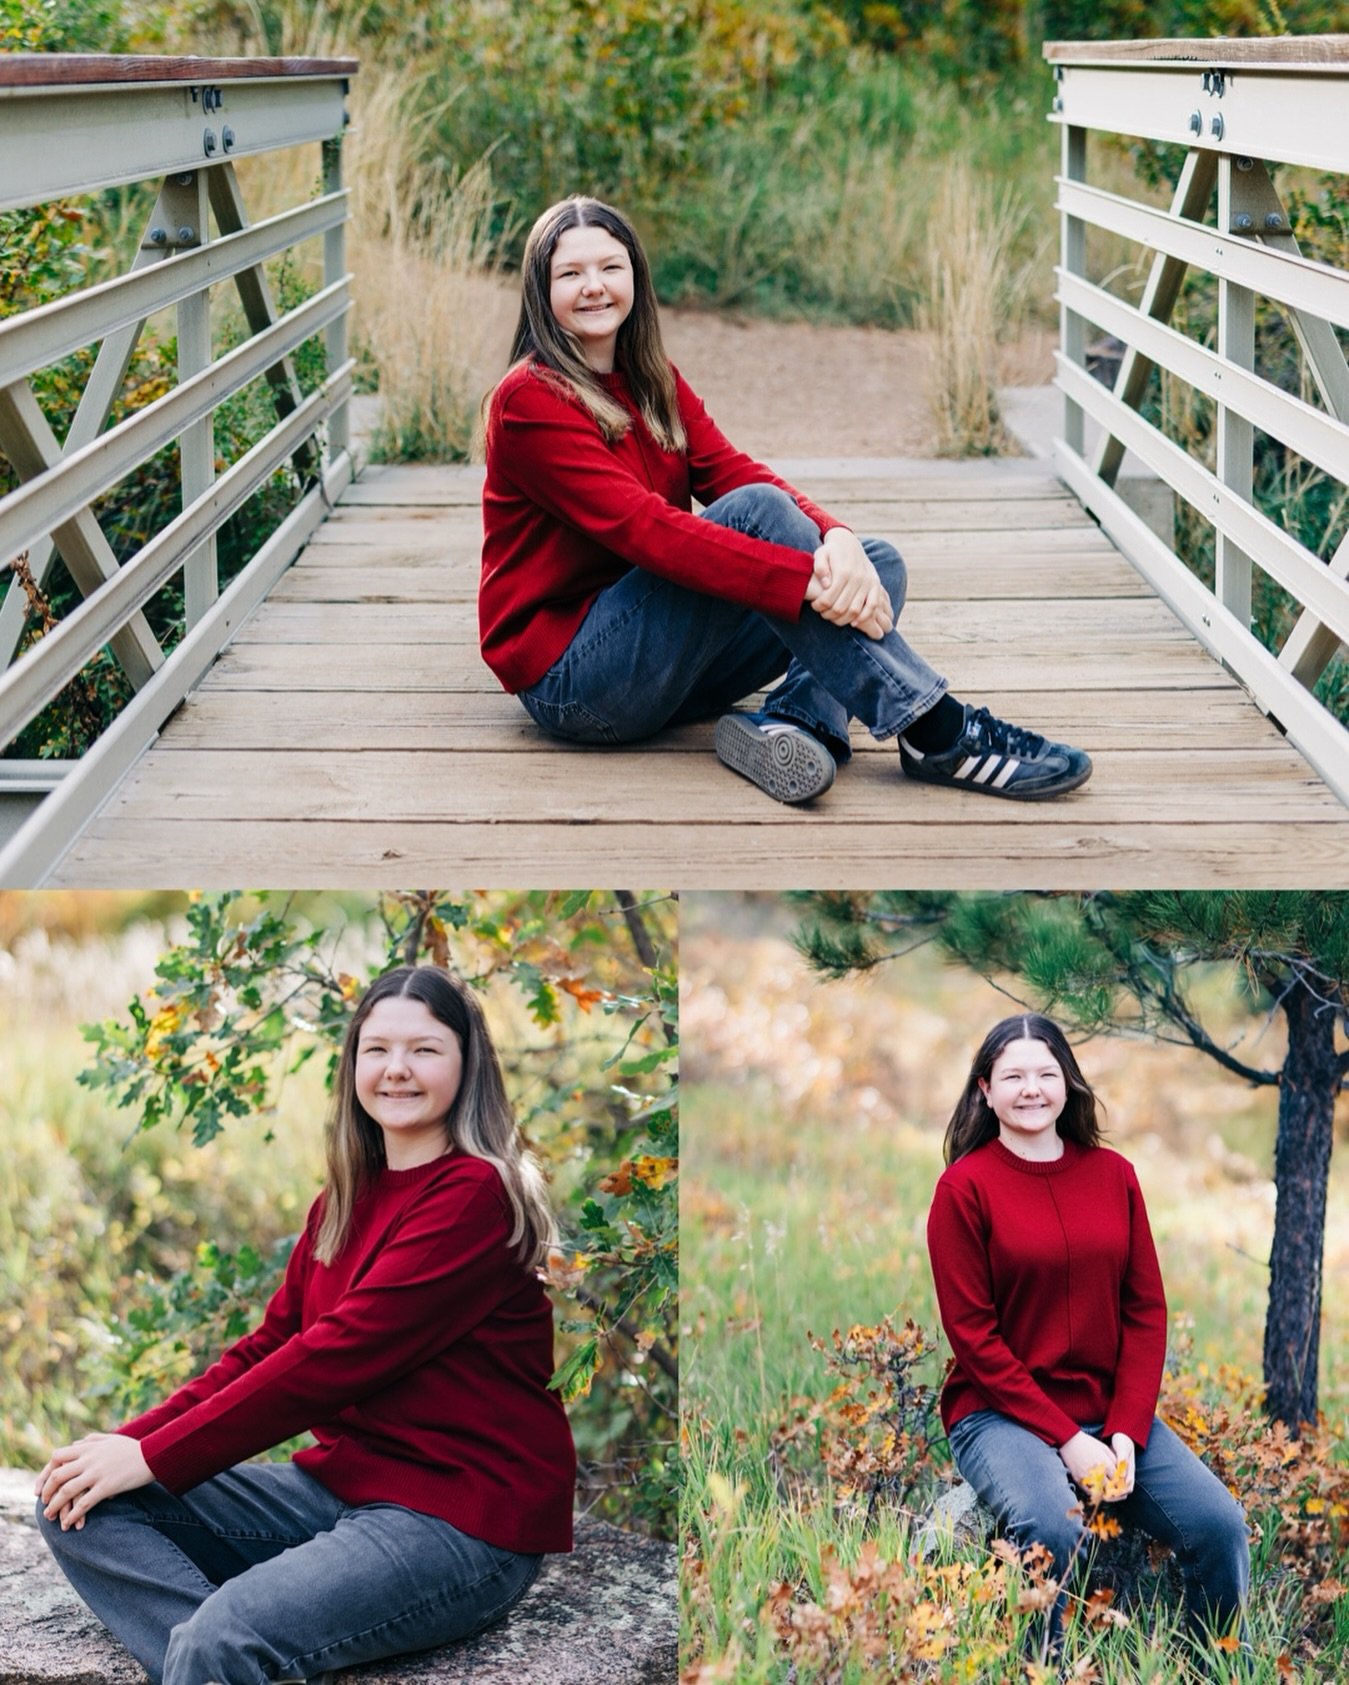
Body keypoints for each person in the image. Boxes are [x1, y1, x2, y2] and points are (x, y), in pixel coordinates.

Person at [35, 965, 576, 1685]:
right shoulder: (346, 1199)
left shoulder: (476, 1194)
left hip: (458, 1520)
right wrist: (132, 1443)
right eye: (376, 1049)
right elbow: (271, 1344)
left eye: (424, 1048)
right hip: (340, 1491)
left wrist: (158, 1456)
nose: (396, 1070)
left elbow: (333, 1357)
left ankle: (220, 1654)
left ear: (466, 1062)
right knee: (77, 1503)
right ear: (352, 1062)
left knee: (220, 1642)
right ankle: (218, 1656)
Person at [479, 194, 1093, 805]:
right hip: (579, 683)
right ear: (542, 290)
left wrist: (837, 536)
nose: (594, 287)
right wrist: (804, 576)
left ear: (634, 275)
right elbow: (649, 531)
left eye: (610, 268)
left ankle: (797, 726)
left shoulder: (650, 377)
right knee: (765, 520)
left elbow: (731, 469)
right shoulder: (529, 399)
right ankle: (937, 731)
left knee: (874, 564)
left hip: (669, 667)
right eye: (571, 274)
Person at [925, 1013, 1248, 1659]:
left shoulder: (1113, 1174)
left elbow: (1144, 1309)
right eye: (1012, 1075)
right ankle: (1037, 1669)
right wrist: (1071, 1442)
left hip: (1108, 1412)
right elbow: (974, 1337)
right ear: (984, 1090)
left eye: (1045, 1072)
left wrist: (1123, 1429)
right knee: (1050, 1523)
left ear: (1067, 1084)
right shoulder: (963, 1189)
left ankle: (1207, 1667)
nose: (1031, 1088)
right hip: (997, 1413)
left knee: (1219, 1524)